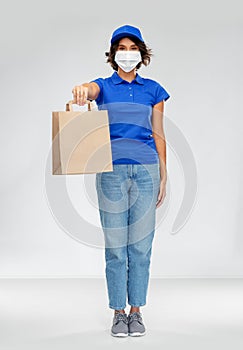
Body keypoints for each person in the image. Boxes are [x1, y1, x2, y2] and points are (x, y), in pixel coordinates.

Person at [72, 24, 170, 337]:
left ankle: (136, 311)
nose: (127, 54)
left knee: (140, 247)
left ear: (141, 53)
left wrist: (164, 172)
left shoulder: (153, 90)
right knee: (116, 247)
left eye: (132, 49)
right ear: (113, 54)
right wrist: (82, 90)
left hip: (146, 171)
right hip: (111, 172)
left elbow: (158, 132)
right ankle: (118, 312)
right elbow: (91, 89)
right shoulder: (104, 85)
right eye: (121, 49)